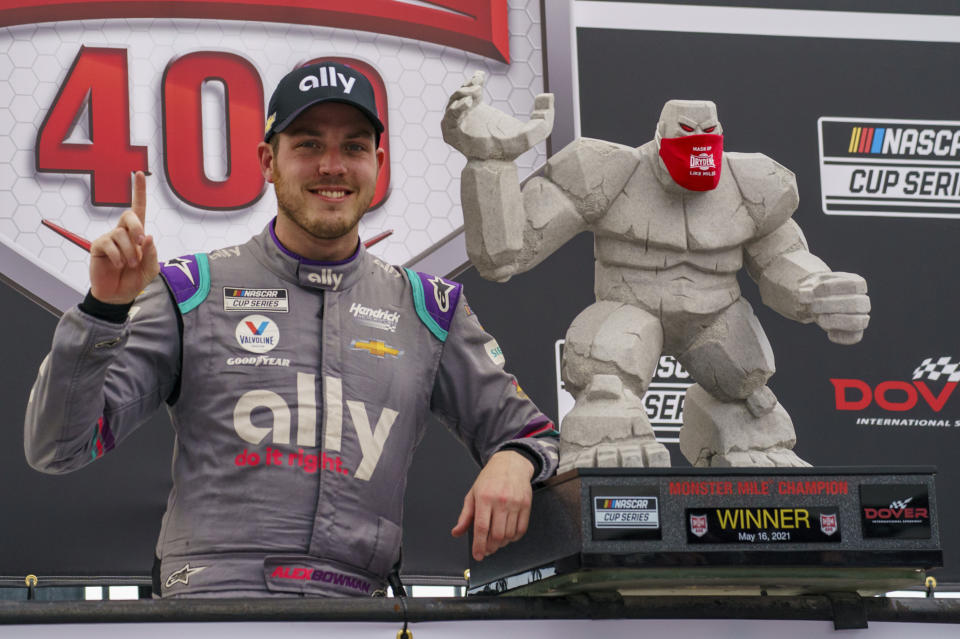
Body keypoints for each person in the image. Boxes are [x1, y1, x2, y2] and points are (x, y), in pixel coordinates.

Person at [24, 61, 559, 598]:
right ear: (267, 161)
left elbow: (535, 436)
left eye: (352, 147)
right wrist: (103, 310)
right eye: (307, 145)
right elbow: (57, 446)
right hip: (211, 607)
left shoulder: (427, 308)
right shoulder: (192, 289)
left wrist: (515, 458)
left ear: (377, 164)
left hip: (358, 613)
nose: (332, 166)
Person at [443, 72, 868, 471]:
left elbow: (782, 257)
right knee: (606, 389)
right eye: (687, 134)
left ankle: (736, 439)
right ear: (661, 135)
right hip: (630, 307)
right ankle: (610, 437)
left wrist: (816, 289)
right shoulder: (608, 171)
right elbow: (503, 256)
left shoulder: (751, 184)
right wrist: (490, 164)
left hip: (717, 316)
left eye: (708, 135)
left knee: (749, 395)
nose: (698, 146)